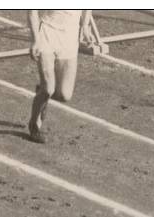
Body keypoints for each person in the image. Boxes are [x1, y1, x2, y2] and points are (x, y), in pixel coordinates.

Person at [26, 10, 95, 144]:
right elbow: (32, 10)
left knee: (64, 95)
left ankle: (42, 92)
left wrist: (85, 26)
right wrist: (35, 40)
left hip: (70, 36)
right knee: (49, 88)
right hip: (46, 32)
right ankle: (34, 126)